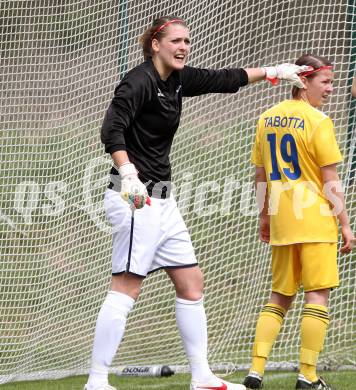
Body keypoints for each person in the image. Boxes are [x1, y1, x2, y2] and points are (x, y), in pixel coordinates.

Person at [84, 16, 309, 390]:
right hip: (136, 199)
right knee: (126, 287)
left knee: (191, 283)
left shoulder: (178, 80)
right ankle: (96, 380)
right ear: (155, 44)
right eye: (175, 40)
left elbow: (224, 79)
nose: (183, 46)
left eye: (187, 40)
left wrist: (274, 71)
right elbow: (112, 129)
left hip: (163, 202)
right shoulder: (139, 81)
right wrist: (128, 175)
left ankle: (202, 377)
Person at [243, 54, 355, 390]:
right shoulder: (319, 121)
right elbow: (330, 181)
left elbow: (260, 176)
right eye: (325, 82)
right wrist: (346, 226)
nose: (331, 89)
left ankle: (255, 370)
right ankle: (308, 376)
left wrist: (265, 216)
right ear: (303, 82)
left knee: (279, 297)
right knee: (317, 297)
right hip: (316, 221)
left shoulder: (266, 118)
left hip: (282, 222)